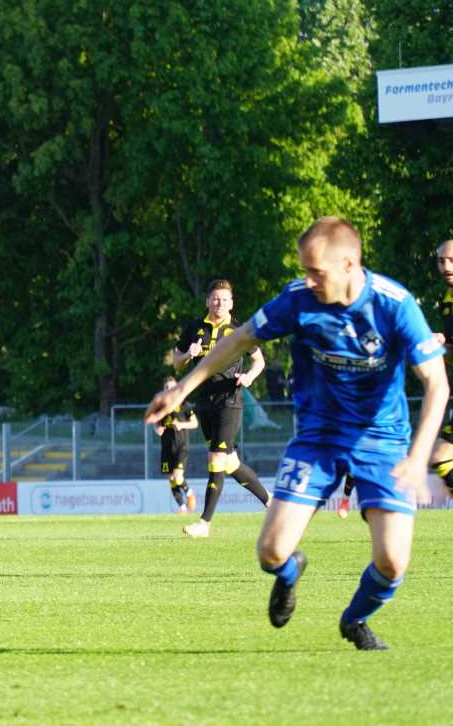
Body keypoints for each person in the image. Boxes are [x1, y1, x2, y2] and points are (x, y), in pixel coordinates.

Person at [146, 217, 448, 650]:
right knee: (270, 552)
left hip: (381, 441)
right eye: (304, 270)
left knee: (392, 561)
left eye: (316, 272)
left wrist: (418, 459)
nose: (307, 280)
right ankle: (290, 574)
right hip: (318, 439)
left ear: (349, 264)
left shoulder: (394, 304)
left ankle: (354, 620)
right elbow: (241, 340)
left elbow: (436, 382)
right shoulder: (298, 299)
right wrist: (182, 390)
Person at [172, 278, 271, 537]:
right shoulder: (194, 328)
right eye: (216, 299)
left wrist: (249, 377)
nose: (220, 303)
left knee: (216, 458)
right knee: (229, 463)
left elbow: (259, 362)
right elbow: (176, 363)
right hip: (203, 402)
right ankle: (271, 502)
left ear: (232, 303)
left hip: (230, 400)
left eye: (225, 300)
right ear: (208, 301)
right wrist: (188, 355)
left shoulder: (239, 330)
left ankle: (204, 523)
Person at [428, 239, 453, 498]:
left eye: (452, 260)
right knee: (443, 458)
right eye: (441, 260)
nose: (446, 266)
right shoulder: (447, 298)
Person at [154, 376, 198, 514]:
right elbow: (156, 425)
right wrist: (157, 430)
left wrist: (181, 424)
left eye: (172, 387)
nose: (169, 390)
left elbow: (195, 423)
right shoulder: (160, 407)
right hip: (166, 447)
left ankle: (190, 494)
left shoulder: (184, 404)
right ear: (164, 389)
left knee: (178, 476)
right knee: (171, 479)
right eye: (167, 388)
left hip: (181, 446)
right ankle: (182, 508)